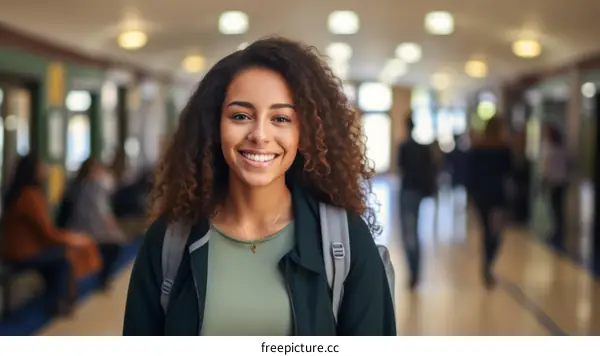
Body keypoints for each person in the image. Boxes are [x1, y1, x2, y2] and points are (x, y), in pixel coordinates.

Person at [123, 37, 396, 336]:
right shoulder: (168, 241)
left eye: (281, 118)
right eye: (240, 116)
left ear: (304, 133)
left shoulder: (346, 242)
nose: (260, 134)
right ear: (215, 127)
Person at [0, 153, 102, 315]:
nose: (46, 169)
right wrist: (72, 239)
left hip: (16, 252)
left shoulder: (20, 193)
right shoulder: (30, 196)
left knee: (61, 255)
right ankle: (59, 303)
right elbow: (47, 233)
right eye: (41, 166)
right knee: (63, 259)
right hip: (22, 255)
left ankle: (58, 299)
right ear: (33, 170)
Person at [63, 157, 128, 290]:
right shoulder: (92, 186)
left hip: (79, 228)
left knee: (112, 243)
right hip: (85, 230)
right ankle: (103, 277)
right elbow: (102, 212)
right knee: (115, 244)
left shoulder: (75, 185)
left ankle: (101, 276)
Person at [466, 117, 512, 288]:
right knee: (497, 232)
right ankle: (489, 262)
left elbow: (470, 175)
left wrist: (470, 197)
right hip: (497, 196)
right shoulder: (504, 149)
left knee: (487, 230)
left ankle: (487, 262)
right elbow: (509, 174)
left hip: (481, 196)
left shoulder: (478, 148)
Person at [396, 113, 436, 290]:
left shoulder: (403, 147)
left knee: (408, 233)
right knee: (414, 232)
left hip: (407, 190)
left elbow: (400, 167)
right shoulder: (423, 148)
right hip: (418, 191)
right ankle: (416, 271)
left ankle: (413, 272)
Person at [540, 124, 570, 250]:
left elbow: (547, 168)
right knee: (558, 207)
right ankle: (558, 230)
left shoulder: (549, 149)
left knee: (555, 207)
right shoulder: (563, 149)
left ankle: (557, 231)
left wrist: (544, 180)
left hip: (554, 182)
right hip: (562, 182)